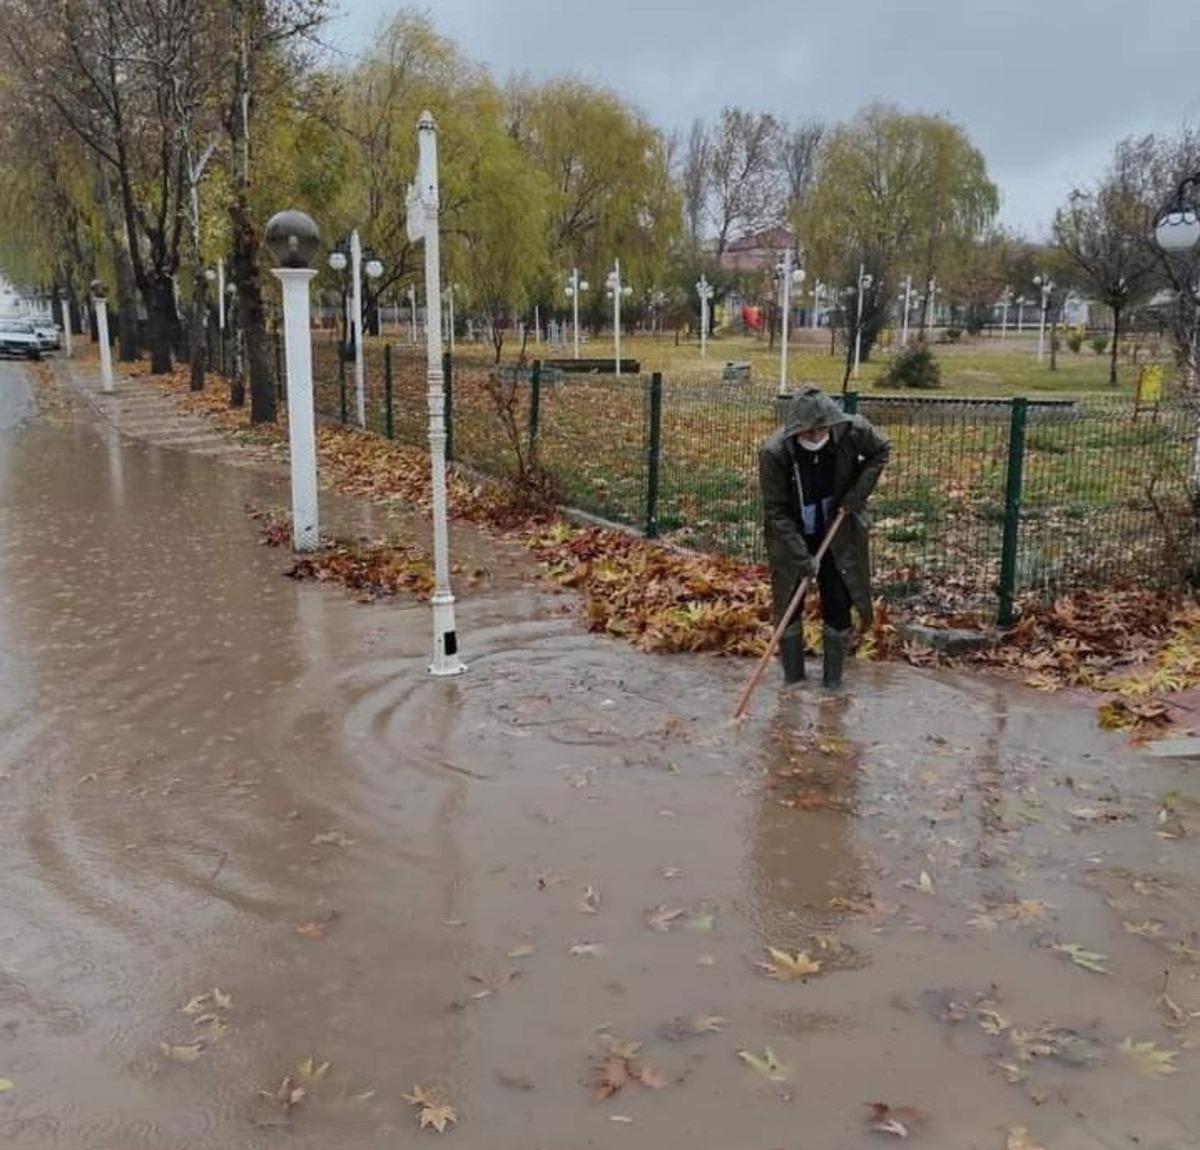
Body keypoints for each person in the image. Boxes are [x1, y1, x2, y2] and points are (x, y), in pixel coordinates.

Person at [759, 386, 890, 689]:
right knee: (789, 602)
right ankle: (793, 681)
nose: (817, 435)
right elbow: (776, 511)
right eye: (809, 430)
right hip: (792, 534)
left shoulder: (852, 431)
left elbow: (881, 450)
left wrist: (856, 495)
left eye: (822, 428)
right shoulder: (774, 453)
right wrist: (801, 556)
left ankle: (833, 684)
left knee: (838, 599)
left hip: (838, 529)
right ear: (796, 429)